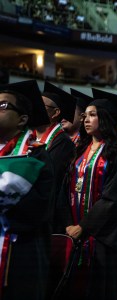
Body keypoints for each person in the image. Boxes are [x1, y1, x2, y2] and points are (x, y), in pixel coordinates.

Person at [57, 89, 117, 300]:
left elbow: (112, 199)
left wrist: (84, 226)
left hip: (102, 239)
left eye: (92, 115)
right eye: (85, 115)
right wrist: (68, 224)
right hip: (74, 232)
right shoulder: (80, 150)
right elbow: (65, 190)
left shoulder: (114, 154)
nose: (86, 120)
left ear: (104, 119)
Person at [0, 80, 54, 300]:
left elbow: (36, 209)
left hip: (20, 251)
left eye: (3, 106)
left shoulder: (34, 155)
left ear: (22, 119)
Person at [38, 82, 76, 193]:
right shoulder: (28, 136)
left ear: (55, 113)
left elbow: (52, 179)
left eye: (41, 105)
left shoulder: (63, 143)